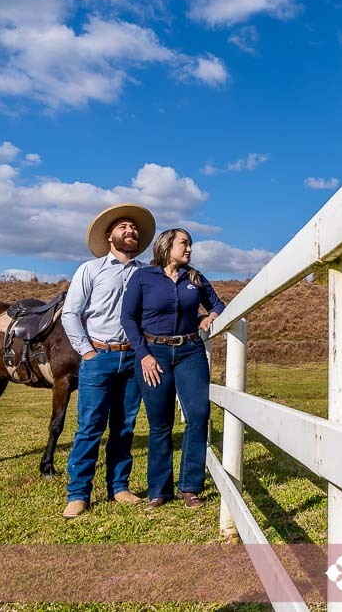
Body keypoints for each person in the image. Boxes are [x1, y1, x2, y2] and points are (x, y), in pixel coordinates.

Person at [60, 203, 156, 519]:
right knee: (90, 427)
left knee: (125, 426)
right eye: (124, 227)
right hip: (99, 356)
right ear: (109, 235)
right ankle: (78, 493)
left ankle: (119, 487)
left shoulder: (147, 273)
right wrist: (87, 352)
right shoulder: (91, 269)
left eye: (134, 228)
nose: (131, 231)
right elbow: (72, 313)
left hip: (133, 358)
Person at [121, 228, 225, 509]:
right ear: (166, 246)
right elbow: (128, 318)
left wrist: (211, 316)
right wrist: (143, 354)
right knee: (160, 423)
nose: (189, 248)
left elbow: (218, 304)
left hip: (190, 352)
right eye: (184, 244)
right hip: (154, 354)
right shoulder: (143, 277)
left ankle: (190, 488)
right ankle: (159, 490)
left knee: (199, 415)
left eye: (190, 244)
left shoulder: (195, 277)